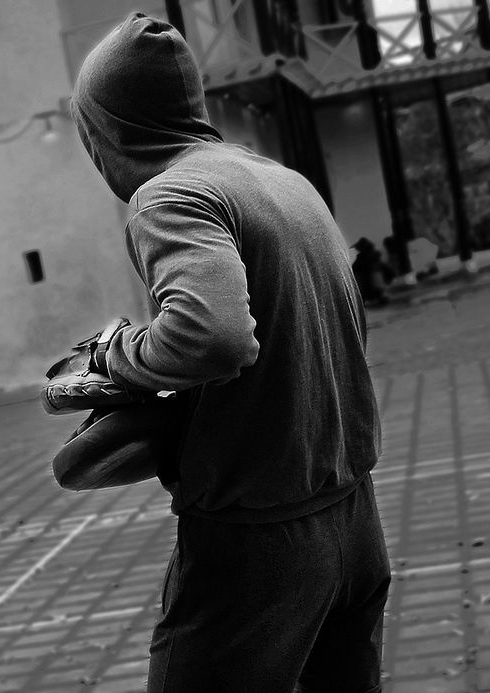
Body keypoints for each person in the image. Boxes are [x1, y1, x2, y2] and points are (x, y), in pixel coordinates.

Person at [69, 14, 389, 693]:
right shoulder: (284, 181)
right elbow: (329, 329)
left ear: (104, 130)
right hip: (355, 518)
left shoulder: (170, 195)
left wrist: (116, 355)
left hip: (259, 545)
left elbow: (212, 335)